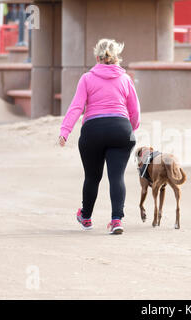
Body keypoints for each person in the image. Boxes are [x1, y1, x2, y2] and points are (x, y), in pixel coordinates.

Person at [58, 39, 140, 235]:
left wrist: (65, 131)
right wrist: (131, 128)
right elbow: (134, 109)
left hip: (93, 130)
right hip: (121, 129)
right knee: (116, 176)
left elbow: (77, 107)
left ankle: (85, 217)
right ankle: (116, 220)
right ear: (117, 57)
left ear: (97, 57)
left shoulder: (87, 78)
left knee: (92, 177)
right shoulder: (125, 79)